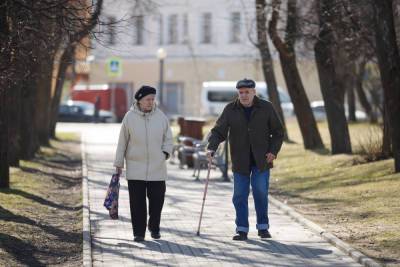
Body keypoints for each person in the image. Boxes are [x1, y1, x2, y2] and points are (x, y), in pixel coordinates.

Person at [207, 78, 284, 241]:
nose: (243, 95)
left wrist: (273, 151)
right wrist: (211, 147)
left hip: (262, 159)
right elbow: (218, 131)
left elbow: (278, 132)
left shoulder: (266, 107)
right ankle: (241, 229)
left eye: (247, 92)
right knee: (239, 195)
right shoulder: (230, 109)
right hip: (240, 160)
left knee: (260, 192)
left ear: (254, 92)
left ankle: (263, 228)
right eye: (240, 92)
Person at [114, 85, 173, 242]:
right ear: (139, 100)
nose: (150, 102)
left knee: (157, 201)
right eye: (148, 99)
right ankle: (139, 233)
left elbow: (168, 138)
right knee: (137, 203)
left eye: (153, 99)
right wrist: (118, 163)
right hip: (135, 167)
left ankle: (154, 227)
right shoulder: (129, 117)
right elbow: (122, 142)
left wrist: (165, 153)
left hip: (157, 167)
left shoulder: (161, 117)